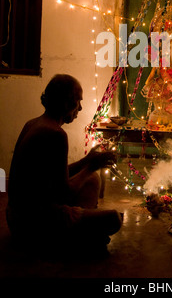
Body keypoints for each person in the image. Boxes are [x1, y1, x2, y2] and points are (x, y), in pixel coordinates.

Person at [6, 74, 123, 253]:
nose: (81, 108)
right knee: (114, 218)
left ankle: (83, 229)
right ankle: (72, 238)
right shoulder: (56, 134)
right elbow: (63, 192)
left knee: (91, 179)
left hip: (15, 217)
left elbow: (53, 174)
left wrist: (86, 161)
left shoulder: (33, 123)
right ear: (66, 103)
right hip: (32, 224)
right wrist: (93, 165)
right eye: (78, 101)